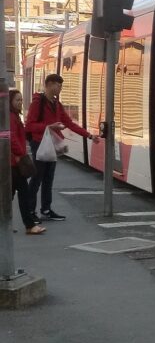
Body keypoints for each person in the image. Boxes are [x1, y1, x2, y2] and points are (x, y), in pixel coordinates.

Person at [26, 73, 98, 222]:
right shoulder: (37, 103)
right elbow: (30, 126)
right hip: (39, 144)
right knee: (37, 178)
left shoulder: (56, 104)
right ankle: (30, 211)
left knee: (48, 178)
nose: (60, 89)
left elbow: (69, 123)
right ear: (49, 84)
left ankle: (46, 209)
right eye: (58, 85)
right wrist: (48, 126)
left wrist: (89, 136)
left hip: (52, 144)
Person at [10, 89, 46, 235]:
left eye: (21, 100)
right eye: (17, 100)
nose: (20, 102)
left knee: (12, 195)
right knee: (20, 194)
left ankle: (23, 225)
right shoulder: (11, 117)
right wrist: (20, 154)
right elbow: (11, 138)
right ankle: (29, 225)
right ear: (10, 102)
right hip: (14, 163)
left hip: (14, 162)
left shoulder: (14, 116)